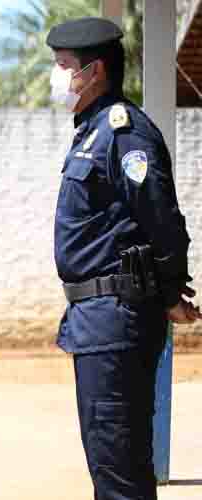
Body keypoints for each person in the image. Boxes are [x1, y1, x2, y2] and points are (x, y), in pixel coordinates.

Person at [47, 17, 201, 500]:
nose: (57, 76)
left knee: (120, 475)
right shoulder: (91, 132)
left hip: (116, 320)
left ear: (93, 72)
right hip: (95, 321)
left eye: (63, 66)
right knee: (110, 466)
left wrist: (169, 291)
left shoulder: (123, 132)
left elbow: (161, 219)